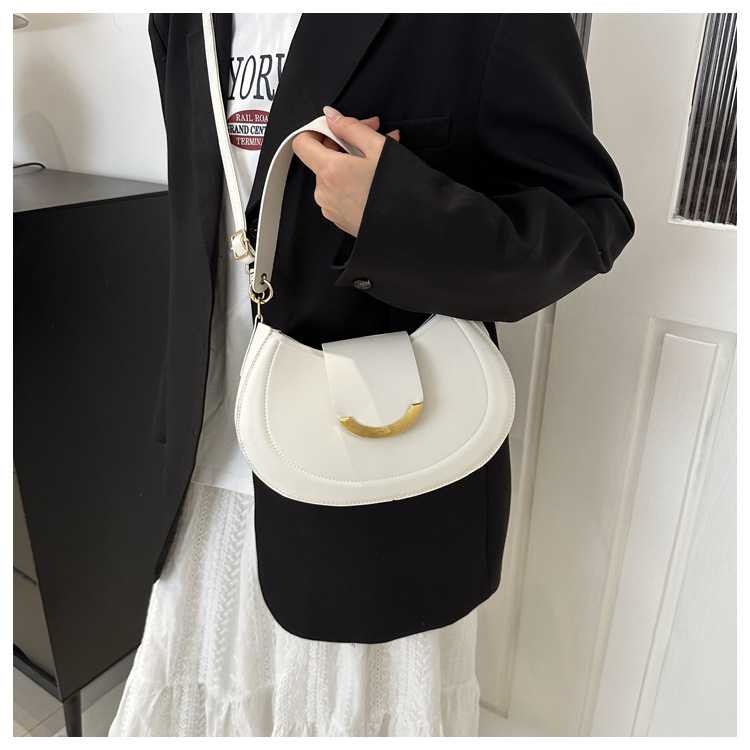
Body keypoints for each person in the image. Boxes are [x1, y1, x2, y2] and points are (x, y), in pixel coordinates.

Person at [109, 12, 634, 736]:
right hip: (207, 465)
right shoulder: (180, 15)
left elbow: (587, 223)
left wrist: (399, 212)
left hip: (376, 477)